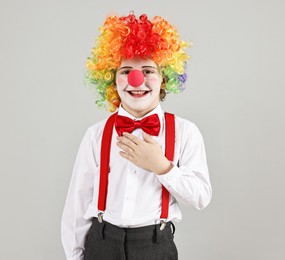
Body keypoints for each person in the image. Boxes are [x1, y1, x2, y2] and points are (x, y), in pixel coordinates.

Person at [61, 12, 212, 260]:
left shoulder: (185, 132)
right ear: (112, 78)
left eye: (148, 70)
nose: (136, 79)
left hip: (154, 246)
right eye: (126, 71)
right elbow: (76, 206)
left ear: (165, 78)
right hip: (102, 244)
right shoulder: (96, 135)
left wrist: (162, 166)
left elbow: (200, 196)